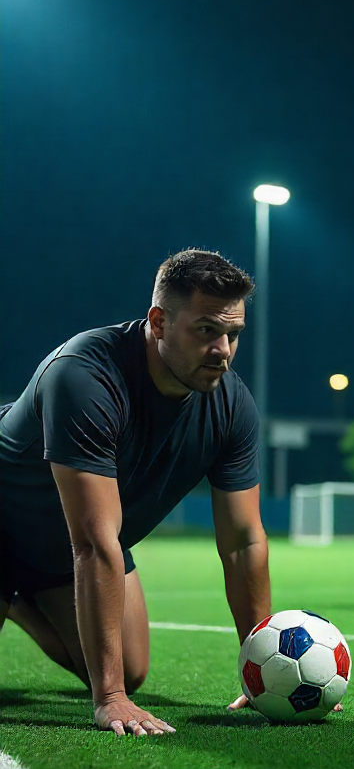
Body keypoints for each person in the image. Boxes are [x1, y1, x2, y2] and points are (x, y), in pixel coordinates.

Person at [0, 249, 271, 737]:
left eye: (233, 334)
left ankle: (20, 602)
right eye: (207, 330)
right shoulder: (84, 376)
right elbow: (95, 541)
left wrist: (264, 671)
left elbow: (243, 542)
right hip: (8, 521)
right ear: (160, 322)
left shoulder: (231, 406)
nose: (224, 350)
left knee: (132, 669)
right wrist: (110, 700)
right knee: (115, 682)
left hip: (61, 543)